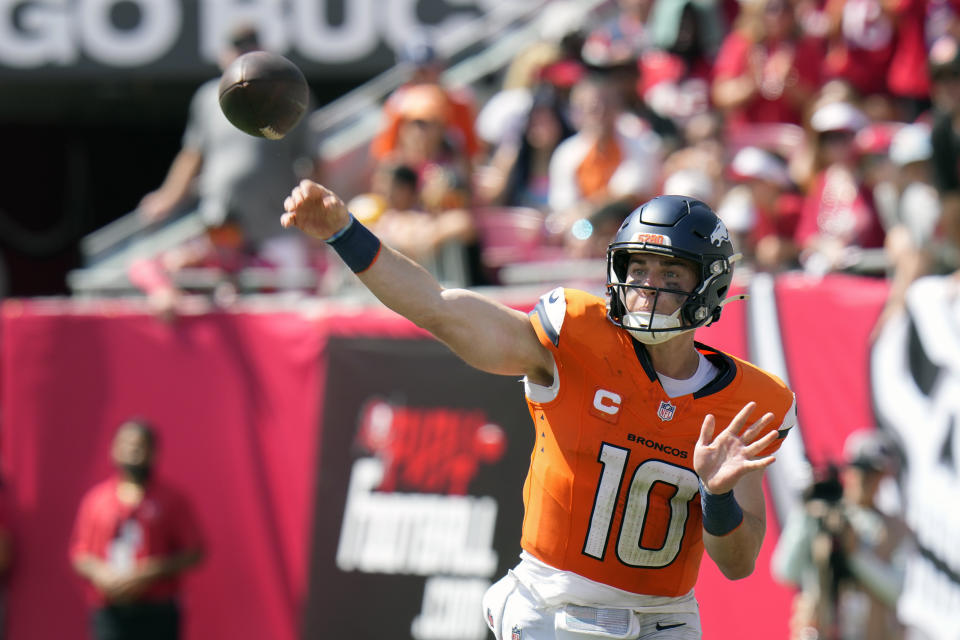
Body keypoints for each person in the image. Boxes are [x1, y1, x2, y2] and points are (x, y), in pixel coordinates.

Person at [280, 181, 797, 639]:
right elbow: (437, 306)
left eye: (669, 272)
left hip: (666, 620)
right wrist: (344, 232)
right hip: (553, 609)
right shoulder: (574, 337)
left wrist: (718, 494)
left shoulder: (749, 402)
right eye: (637, 267)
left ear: (709, 286)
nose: (646, 286)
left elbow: (738, 563)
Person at [136, 25, 321, 288]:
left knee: (287, 305)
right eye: (236, 47)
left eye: (249, 46)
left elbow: (314, 160)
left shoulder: (288, 93)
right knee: (223, 305)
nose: (242, 54)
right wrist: (168, 197)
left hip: (277, 226)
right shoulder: (207, 98)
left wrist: (315, 215)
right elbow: (192, 155)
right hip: (221, 226)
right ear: (224, 54)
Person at [70, 419, 204, 640]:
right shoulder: (96, 500)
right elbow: (80, 553)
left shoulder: (170, 500)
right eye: (126, 444)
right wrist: (102, 574)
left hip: (157, 609)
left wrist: (151, 571)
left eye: (140, 445)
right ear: (113, 450)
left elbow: (194, 552)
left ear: (154, 452)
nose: (133, 451)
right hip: (110, 609)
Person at [771, 429, 910, 640]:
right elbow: (786, 571)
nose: (866, 480)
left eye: (874, 473)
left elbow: (896, 590)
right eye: (861, 470)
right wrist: (806, 512)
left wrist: (854, 553)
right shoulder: (821, 515)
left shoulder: (896, 528)